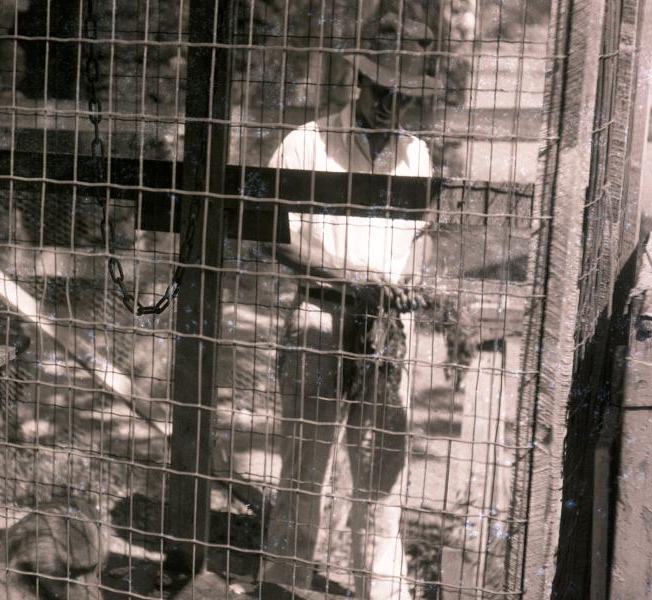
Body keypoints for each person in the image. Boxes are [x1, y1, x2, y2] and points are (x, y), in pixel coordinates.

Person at [259, 7, 446, 600]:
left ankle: (380, 591)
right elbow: (271, 236)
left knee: (381, 479)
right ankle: (283, 586)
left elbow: (422, 237)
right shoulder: (305, 144)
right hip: (320, 317)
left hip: (385, 330)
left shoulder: (417, 155)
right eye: (383, 90)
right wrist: (349, 281)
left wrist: (411, 283)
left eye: (405, 95)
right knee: (304, 472)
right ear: (360, 80)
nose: (392, 105)